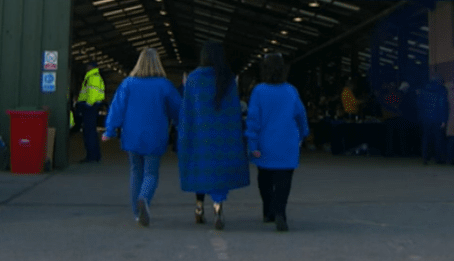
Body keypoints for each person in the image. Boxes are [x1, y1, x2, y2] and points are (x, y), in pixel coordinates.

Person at [102, 48, 181, 226]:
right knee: (151, 173)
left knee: (135, 172)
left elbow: (117, 108)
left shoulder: (128, 83)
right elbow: (178, 110)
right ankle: (144, 197)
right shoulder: (164, 85)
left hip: (132, 136)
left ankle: (137, 213)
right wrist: (181, 127)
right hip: (155, 136)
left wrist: (110, 130)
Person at [176, 41, 249, 230]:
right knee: (219, 173)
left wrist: (182, 134)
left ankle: (199, 208)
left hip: (200, 135)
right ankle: (218, 207)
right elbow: (234, 111)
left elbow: (186, 111)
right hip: (222, 136)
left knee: (200, 170)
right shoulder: (228, 78)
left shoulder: (192, 79)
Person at [245, 52, 309, 232]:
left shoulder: (258, 91)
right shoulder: (291, 90)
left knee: (264, 178)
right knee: (284, 180)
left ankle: (268, 211)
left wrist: (252, 143)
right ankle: (281, 212)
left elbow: (253, 119)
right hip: (287, 143)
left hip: (265, 144)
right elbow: (301, 115)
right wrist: (304, 133)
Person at [77, 61, 106, 162]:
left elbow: (92, 93)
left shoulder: (93, 77)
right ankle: (95, 155)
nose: (86, 68)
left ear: (91, 67)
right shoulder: (92, 76)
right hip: (91, 107)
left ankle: (92, 156)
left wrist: (88, 105)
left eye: (88, 66)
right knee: (91, 132)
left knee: (89, 132)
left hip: (90, 107)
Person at [417, 76, 449, 164]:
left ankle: (425, 157)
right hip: (437, 118)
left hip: (425, 118)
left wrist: (421, 117)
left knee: (426, 138)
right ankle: (438, 158)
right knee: (438, 139)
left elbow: (419, 105)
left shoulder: (423, 91)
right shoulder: (441, 91)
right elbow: (442, 105)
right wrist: (443, 120)